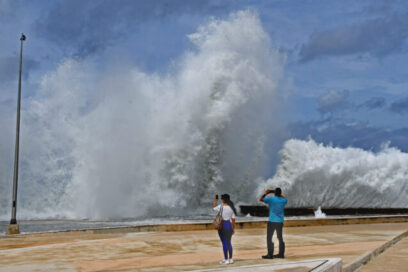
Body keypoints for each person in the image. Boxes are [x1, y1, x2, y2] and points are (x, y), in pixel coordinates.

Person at [259, 187, 287, 259]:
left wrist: (267, 193)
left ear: (274, 193)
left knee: (269, 238)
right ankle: (281, 254)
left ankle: (270, 254)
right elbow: (284, 198)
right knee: (280, 238)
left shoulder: (271, 199)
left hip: (272, 221)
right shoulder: (283, 200)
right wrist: (275, 192)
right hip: (280, 221)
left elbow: (261, 199)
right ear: (280, 193)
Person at [213, 193, 237, 265]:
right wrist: (233, 228)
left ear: (223, 200)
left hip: (222, 225)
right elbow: (233, 219)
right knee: (229, 242)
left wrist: (215, 200)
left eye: (221, 199)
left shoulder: (221, 207)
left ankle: (226, 259)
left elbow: (213, 208)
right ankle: (231, 259)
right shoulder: (232, 208)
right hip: (229, 225)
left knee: (224, 242)